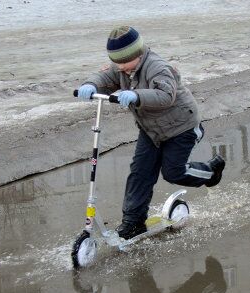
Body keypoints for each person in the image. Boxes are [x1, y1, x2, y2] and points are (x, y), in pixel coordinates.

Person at [76, 26, 225, 240]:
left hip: (181, 126)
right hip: (152, 130)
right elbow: (104, 78)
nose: (118, 67)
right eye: (115, 62)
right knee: (140, 174)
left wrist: (137, 95)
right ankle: (133, 223)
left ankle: (210, 172)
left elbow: (166, 95)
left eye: (122, 62)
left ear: (136, 54)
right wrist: (91, 84)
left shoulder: (157, 67)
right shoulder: (122, 68)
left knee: (173, 172)